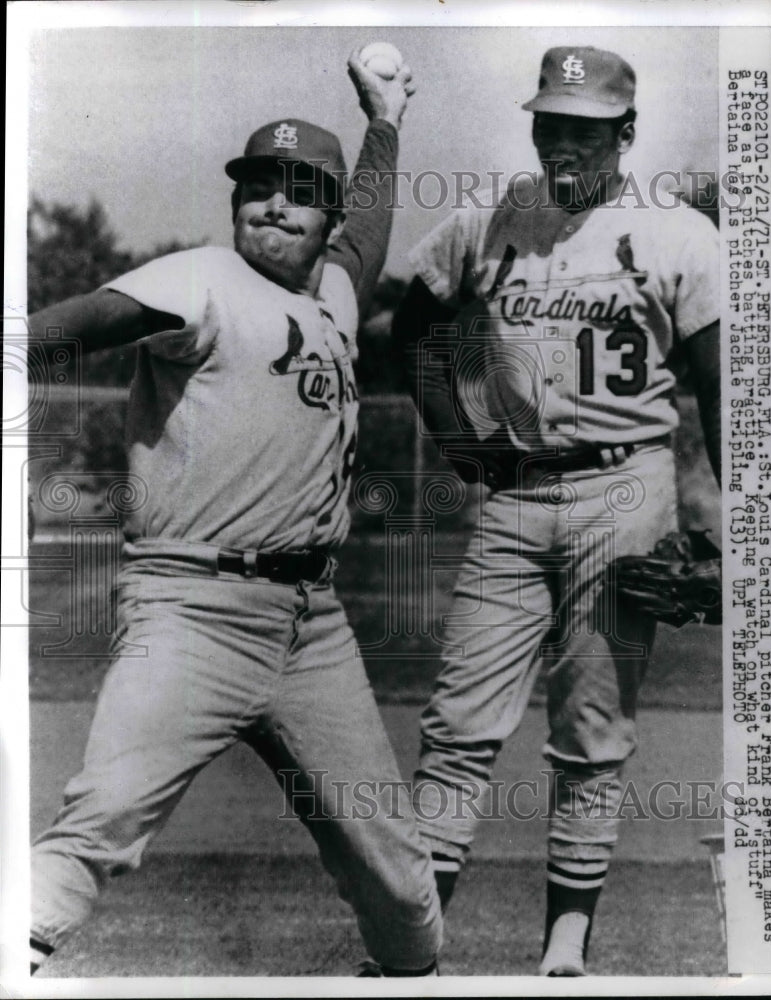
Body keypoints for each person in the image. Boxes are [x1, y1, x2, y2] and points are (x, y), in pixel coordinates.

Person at [28, 49, 443, 978]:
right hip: (189, 609)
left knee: (406, 895)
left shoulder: (334, 297)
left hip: (313, 629)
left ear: (326, 216)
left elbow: (369, 233)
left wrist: (384, 123)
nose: (274, 204)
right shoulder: (203, 277)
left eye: (301, 191)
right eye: (258, 185)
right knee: (95, 830)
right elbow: (67, 330)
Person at [394, 45, 720, 976]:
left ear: (625, 131)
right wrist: (463, 443)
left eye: (584, 126)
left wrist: (736, 517)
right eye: (549, 122)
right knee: (457, 723)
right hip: (514, 495)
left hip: (629, 489)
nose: (562, 141)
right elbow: (412, 329)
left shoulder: (679, 234)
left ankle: (567, 941)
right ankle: (414, 942)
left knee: (591, 725)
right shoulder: (490, 217)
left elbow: (718, 384)